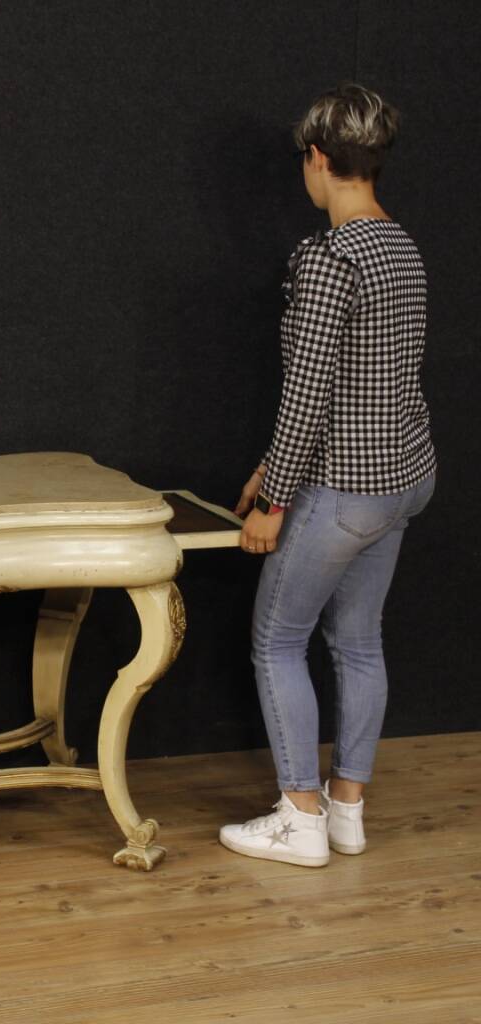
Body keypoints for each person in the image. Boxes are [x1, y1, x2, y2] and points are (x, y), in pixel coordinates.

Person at [218, 83, 437, 867]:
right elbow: (371, 379)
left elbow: (308, 387)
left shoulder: (329, 255)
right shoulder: (400, 245)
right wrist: (273, 464)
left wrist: (276, 499)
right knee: (359, 644)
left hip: (342, 491)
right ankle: (346, 812)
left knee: (277, 641)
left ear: (318, 158)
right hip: (403, 477)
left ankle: (298, 819)